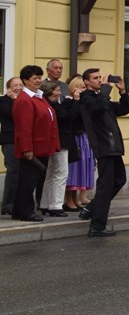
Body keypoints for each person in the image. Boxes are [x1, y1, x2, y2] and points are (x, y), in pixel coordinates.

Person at [78, 68, 129, 237]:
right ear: (86, 82)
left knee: (119, 180)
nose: (99, 81)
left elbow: (125, 109)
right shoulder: (86, 98)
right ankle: (97, 226)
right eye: (95, 78)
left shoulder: (103, 98)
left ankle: (91, 209)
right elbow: (98, 107)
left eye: (100, 78)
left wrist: (122, 90)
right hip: (103, 146)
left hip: (113, 146)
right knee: (105, 185)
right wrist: (107, 88)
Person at [12, 65, 60, 222]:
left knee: (29, 180)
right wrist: (27, 149)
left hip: (42, 147)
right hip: (32, 149)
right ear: (26, 81)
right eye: (35, 78)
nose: (39, 80)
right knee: (28, 182)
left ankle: (19, 211)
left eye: (40, 77)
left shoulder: (38, 97)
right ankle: (26, 212)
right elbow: (24, 128)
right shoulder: (25, 100)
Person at [38, 81, 74, 216]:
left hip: (55, 141)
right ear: (51, 92)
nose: (59, 93)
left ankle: (45, 203)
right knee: (60, 173)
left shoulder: (47, 103)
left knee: (51, 172)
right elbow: (67, 116)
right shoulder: (51, 104)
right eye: (57, 90)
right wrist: (73, 101)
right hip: (61, 141)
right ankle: (56, 205)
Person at [64, 76, 93, 210]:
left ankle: (75, 198)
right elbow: (72, 118)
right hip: (75, 138)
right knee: (74, 169)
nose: (84, 90)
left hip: (84, 138)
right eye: (82, 87)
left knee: (82, 167)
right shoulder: (68, 102)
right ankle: (68, 199)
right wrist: (76, 100)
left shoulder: (84, 102)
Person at [0, 76, 24, 215]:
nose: (18, 88)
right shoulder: (3, 101)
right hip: (10, 140)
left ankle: (19, 203)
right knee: (13, 171)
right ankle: (8, 205)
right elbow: (11, 114)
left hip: (24, 140)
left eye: (21, 85)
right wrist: (15, 100)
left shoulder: (25, 100)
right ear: (8, 88)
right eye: (15, 85)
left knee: (23, 173)